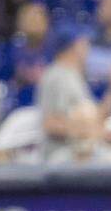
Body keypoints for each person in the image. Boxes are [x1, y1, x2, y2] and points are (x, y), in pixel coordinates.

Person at [37, 24, 95, 155]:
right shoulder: (57, 75)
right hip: (60, 157)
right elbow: (50, 124)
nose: (87, 48)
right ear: (73, 47)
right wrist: (89, 132)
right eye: (84, 43)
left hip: (78, 155)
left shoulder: (74, 74)